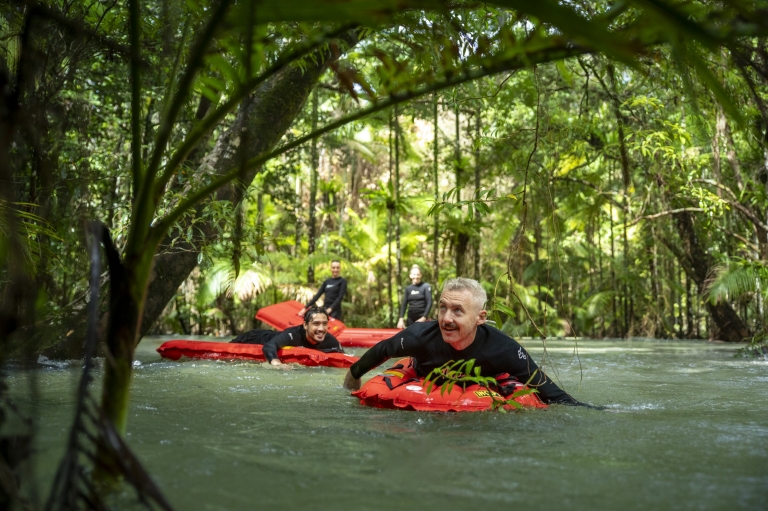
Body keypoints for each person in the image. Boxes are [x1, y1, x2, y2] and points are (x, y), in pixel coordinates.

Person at [343, 277, 580, 405]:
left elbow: (551, 392)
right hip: (424, 376)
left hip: (482, 385)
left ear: (480, 318)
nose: (446, 319)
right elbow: (378, 353)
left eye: (458, 311)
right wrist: (350, 383)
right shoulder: (418, 335)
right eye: (443, 308)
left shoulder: (504, 349)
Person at [231, 307, 343, 366]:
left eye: (324, 324)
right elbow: (269, 346)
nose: (321, 329)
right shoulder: (293, 334)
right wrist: (276, 363)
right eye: (316, 324)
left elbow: (345, 357)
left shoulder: (331, 342)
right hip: (254, 338)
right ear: (305, 325)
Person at [397, 265, 433, 329]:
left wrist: (424, 317)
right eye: (414, 274)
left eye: (417, 274)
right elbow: (404, 304)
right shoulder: (408, 289)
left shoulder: (426, 287)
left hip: (422, 318)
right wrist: (401, 319)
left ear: (420, 275)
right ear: (410, 275)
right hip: (411, 319)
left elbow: (429, 302)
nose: (416, 276)